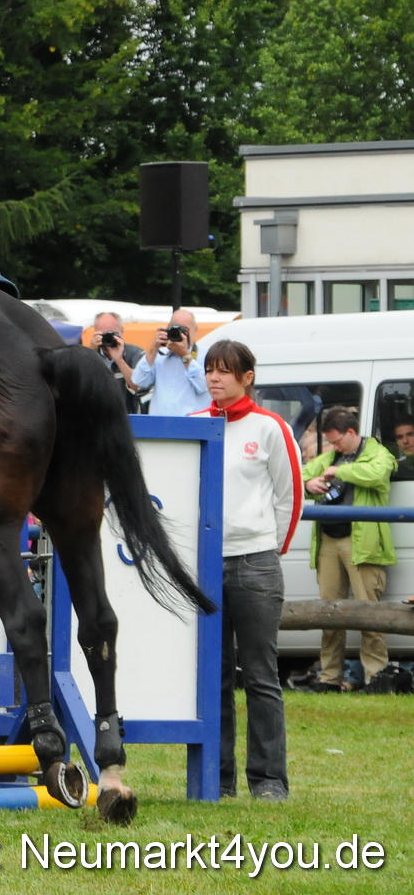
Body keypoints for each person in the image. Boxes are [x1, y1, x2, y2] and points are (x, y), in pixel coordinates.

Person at [201, 339, 299, 801]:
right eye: (209, 370)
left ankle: (269, 780)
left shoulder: (271, 427)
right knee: (212, 677)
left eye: (224, 371)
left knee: (261, 675)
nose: (214, 378)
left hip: (255, 563)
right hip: (203, 565)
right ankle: (217, 780)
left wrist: (268, 547)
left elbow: (290, 495)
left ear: (247, 377)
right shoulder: (192, 426)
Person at [299, 407, 397, 692]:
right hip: (328, 541)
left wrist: (340, 470)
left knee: (370, 613)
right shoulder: (331, 456)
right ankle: (329, 677)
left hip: (362, 543)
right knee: (329, 612)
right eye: (330, 442)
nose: (334, 447)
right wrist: (309, 483)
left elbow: (378, 474)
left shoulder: (378, 453)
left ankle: (375, 677)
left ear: (352, 432)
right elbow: (302, 474)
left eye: (338, 441)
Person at [131, 310, 208, 416]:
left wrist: (185, 356)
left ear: (195, 330)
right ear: (168, 328)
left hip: (190, 426)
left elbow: (203, 386)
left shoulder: (206, 355)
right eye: (175, 329)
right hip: (159, 425)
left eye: (184, 330)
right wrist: (154, 347)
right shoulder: (159, 355)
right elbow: (138, 380)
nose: (180, 335)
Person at [92, 312, 147, 413]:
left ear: (121, 332)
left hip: (127, 418)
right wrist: (90, 353)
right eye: (102, 334)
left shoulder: (135, 353)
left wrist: (119, 359)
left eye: (110, 334)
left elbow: (138, 386)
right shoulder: (89, 355)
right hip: (98, 419)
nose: (107, 339)